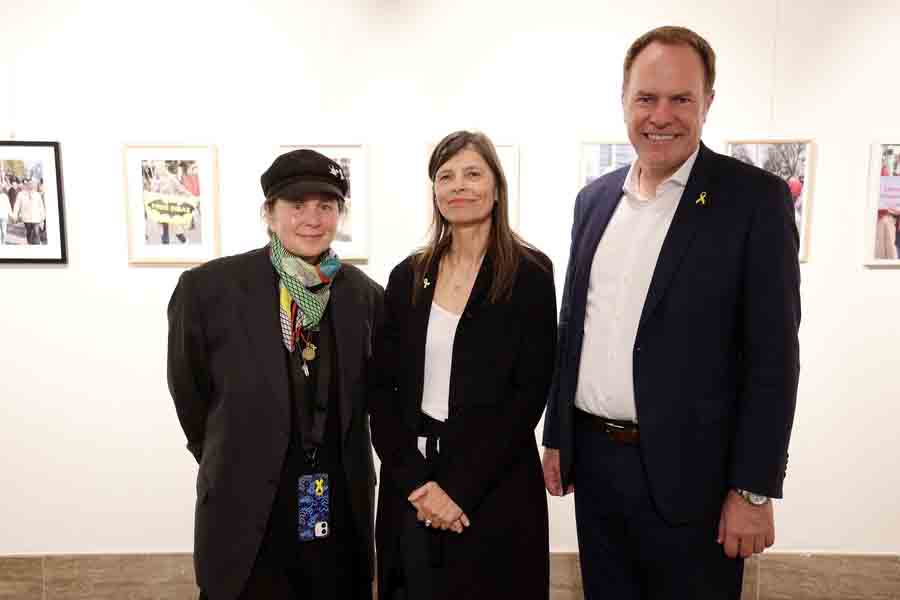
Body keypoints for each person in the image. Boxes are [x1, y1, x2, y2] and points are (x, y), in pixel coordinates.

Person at [542, 26, 801, 600]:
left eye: (681, 99)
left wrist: (754, 490)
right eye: (647, 98)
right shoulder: (595, 200)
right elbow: (573, 327)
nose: (662, 115)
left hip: (697, 482)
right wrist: (557, 433)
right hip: (598, 469)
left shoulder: (752, 200)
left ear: (708, 102)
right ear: (625, 101)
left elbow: (774, 357)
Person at [167, 149, 383, 600]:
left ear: (340, 215)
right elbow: (191, 392)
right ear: (269, 213)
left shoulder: (364, 296)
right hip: (245, 509)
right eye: (296, 205)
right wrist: (229, 458)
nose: (312, 218)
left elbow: (376, 398)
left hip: (335, 510)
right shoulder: (209, 290)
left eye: (326, 206)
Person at [371, 130, 557, 600]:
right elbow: (381, 391)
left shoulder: (532, 275)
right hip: (412, 483)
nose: (459, 186)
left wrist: (456, 490)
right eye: (445, 176)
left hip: (494, 485)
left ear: (497, 187)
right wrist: (417, 485)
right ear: (434, 192)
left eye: (473, 173)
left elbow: (528, 394)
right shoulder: (408, 276)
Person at [12, 180, 46, 245]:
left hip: (36, 217)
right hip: (26, 217)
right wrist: (15, 214)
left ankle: (36, 245)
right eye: (30, 186)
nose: (32, 187)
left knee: (36, 232)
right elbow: (17, 205)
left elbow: (41, 206)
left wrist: (43, 216)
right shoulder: (21, 194)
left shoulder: (37, 195)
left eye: (33, 186)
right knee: (29, 232)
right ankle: (29, 242)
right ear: (27, 186)